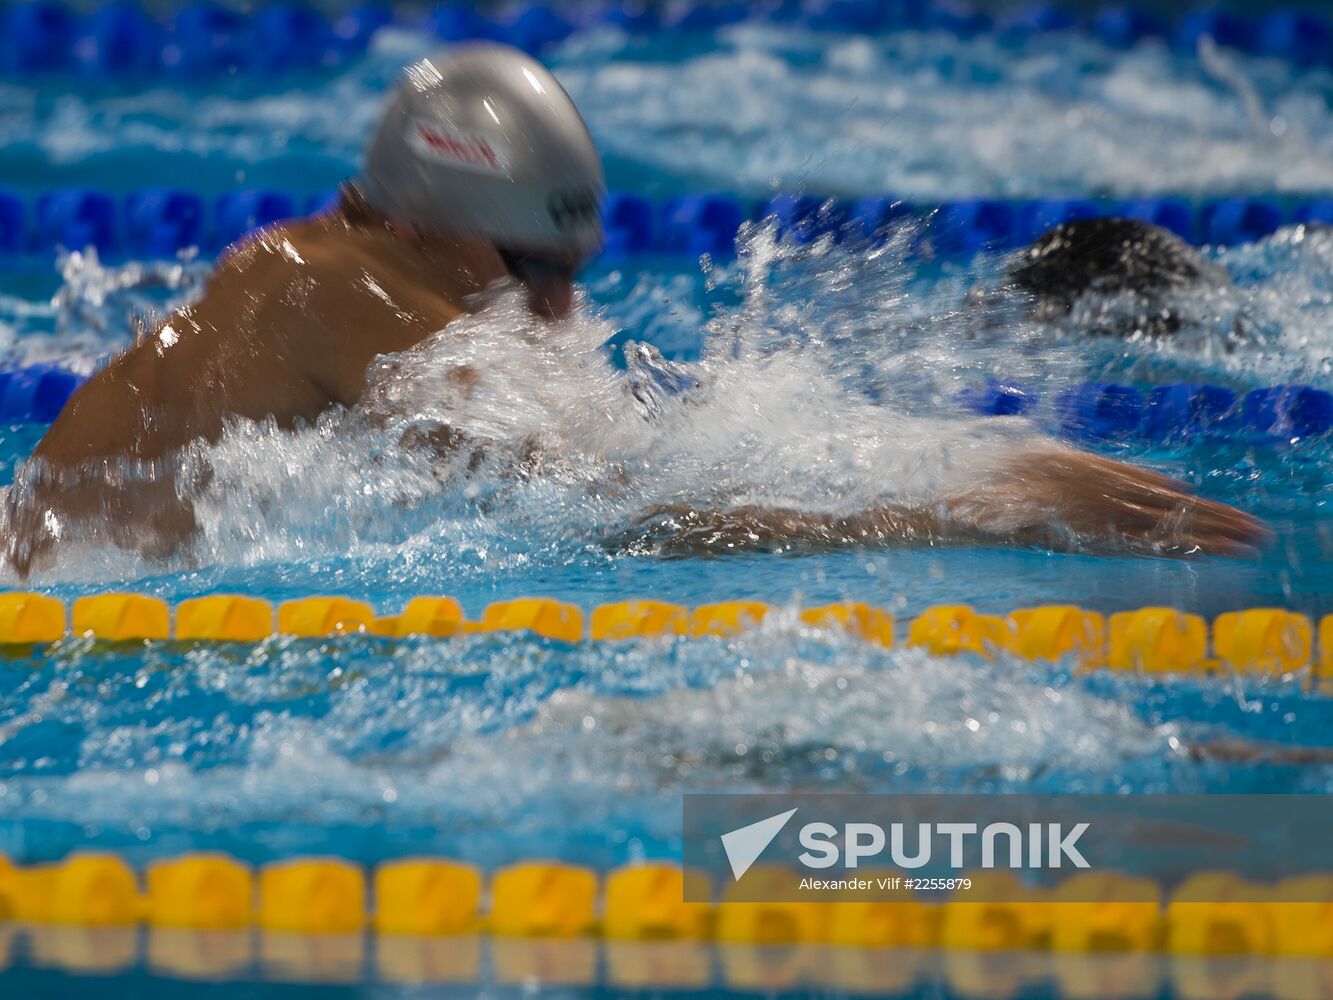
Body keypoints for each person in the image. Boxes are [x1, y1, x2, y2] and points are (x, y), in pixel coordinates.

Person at [1, 44, 1264, 575]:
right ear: (435, 220)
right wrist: (981, 505)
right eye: (529, 269)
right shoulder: (341, 292)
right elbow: (611, 522)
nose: (554, 312)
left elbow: (625, 462)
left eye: (570, 277)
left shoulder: (335, 272)